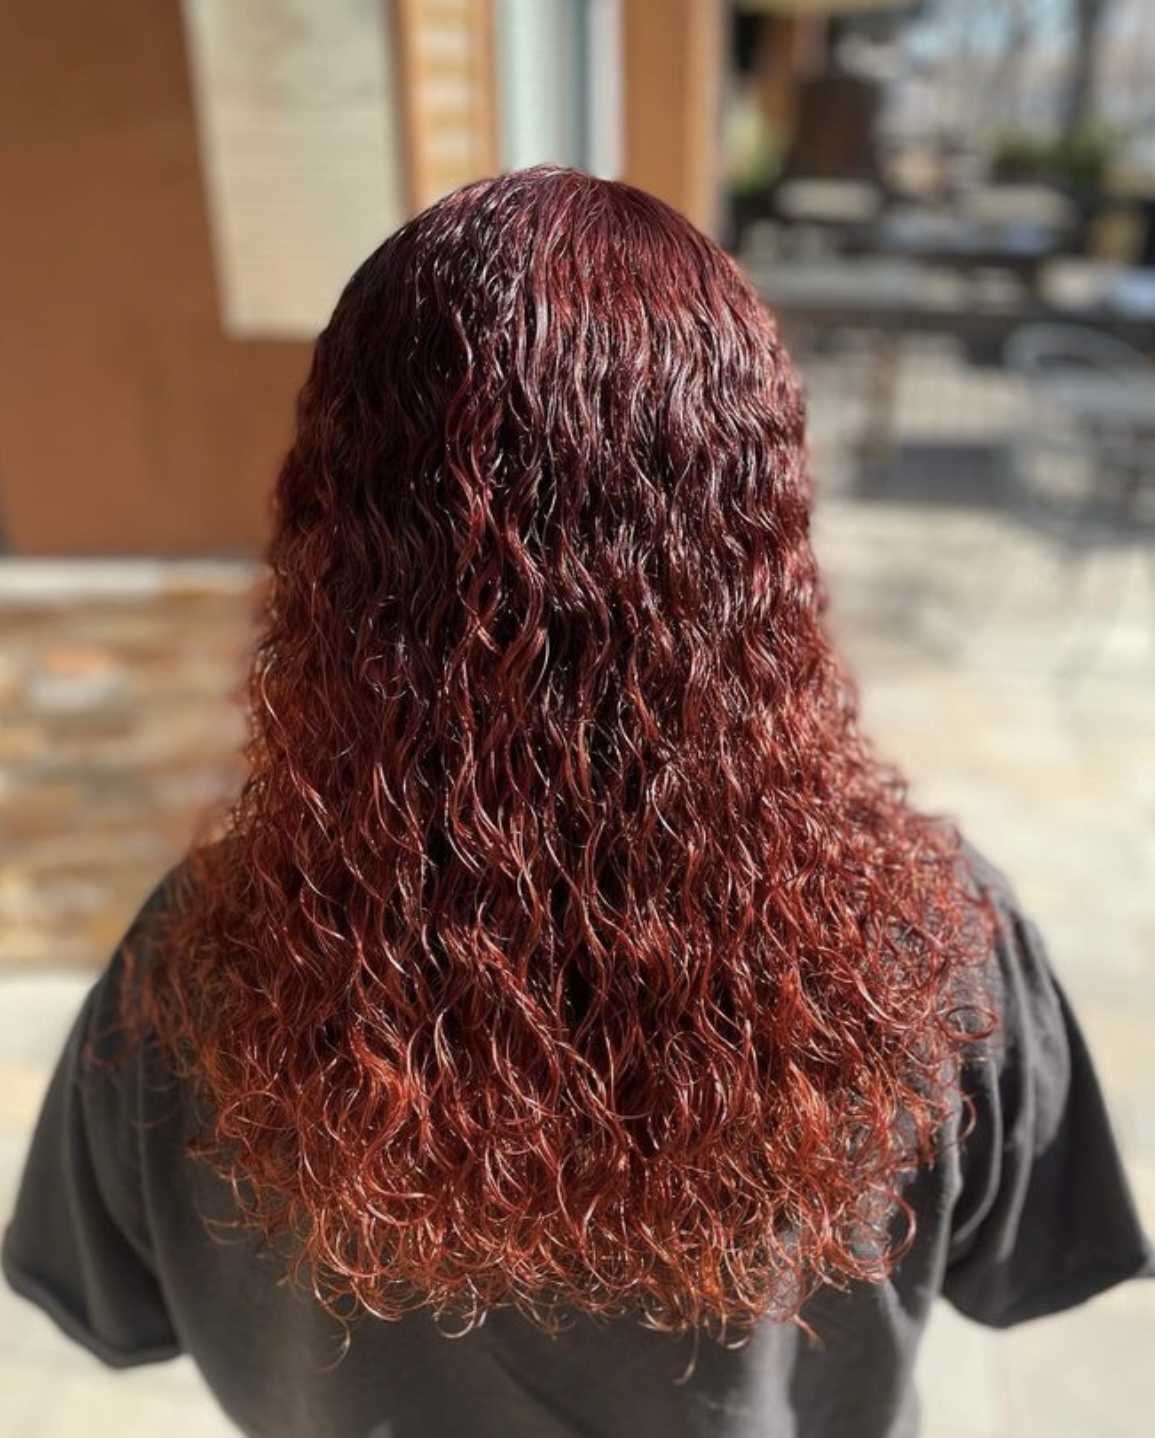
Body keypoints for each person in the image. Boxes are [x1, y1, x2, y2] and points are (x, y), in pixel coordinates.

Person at [4, 167, 1152, 1438]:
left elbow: (113, 1309)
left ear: (337, 519)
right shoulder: (936, 951)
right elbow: (1017, 1259)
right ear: (760, 529)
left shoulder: (191, 975)